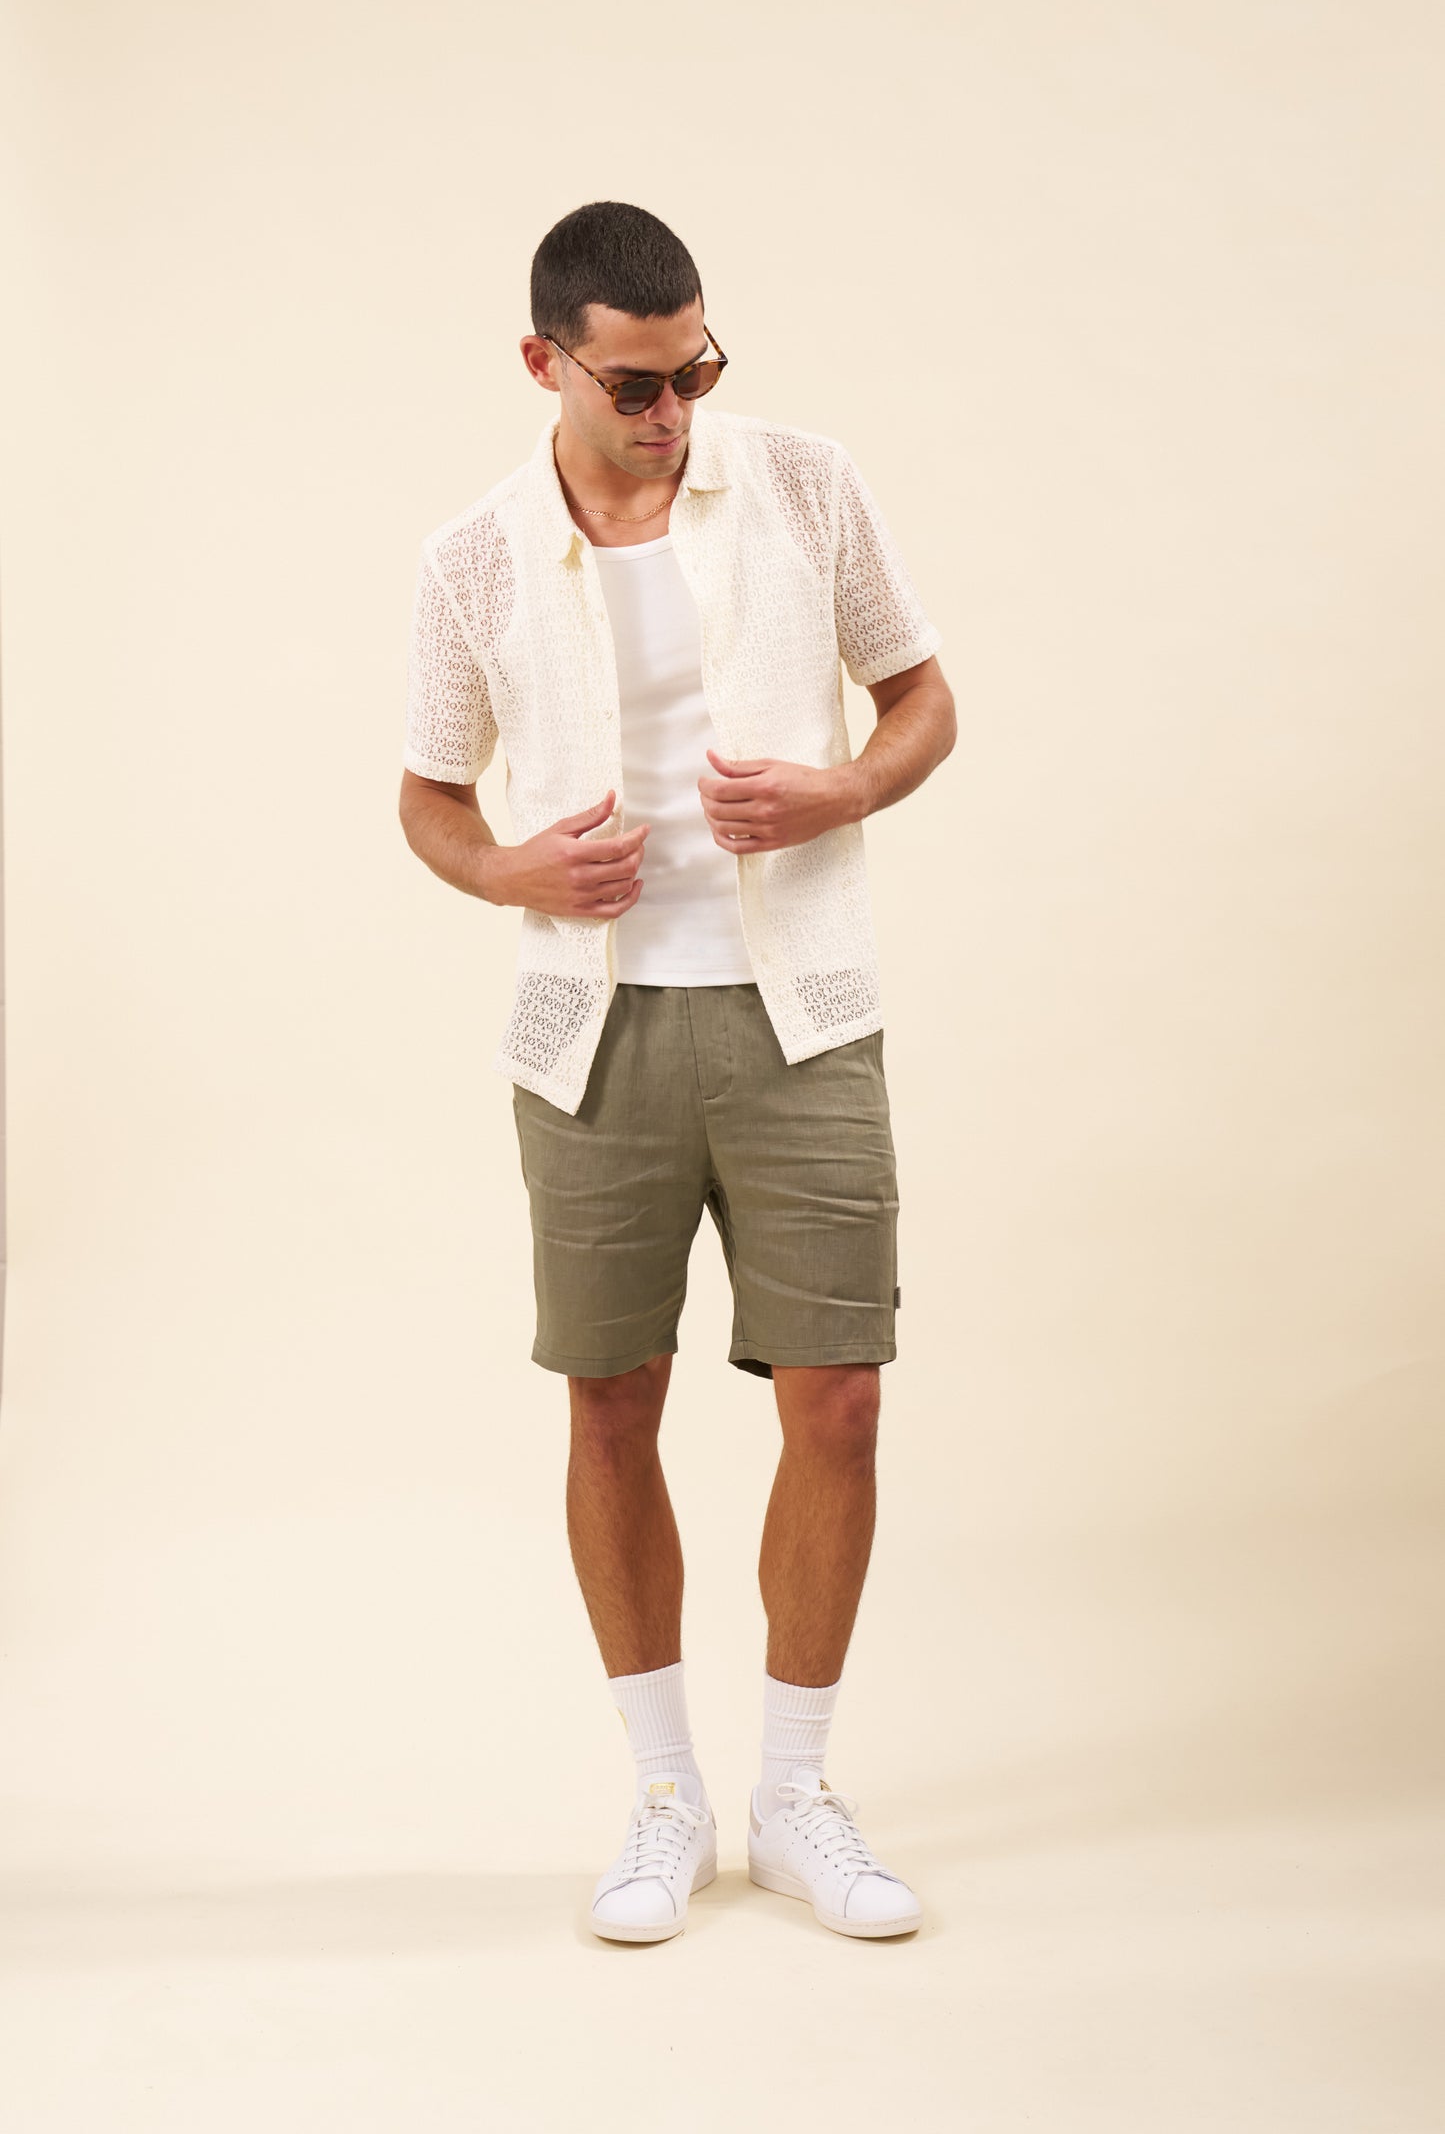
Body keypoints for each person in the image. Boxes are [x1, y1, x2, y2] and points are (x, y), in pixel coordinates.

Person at [398, 200, 956, 1944]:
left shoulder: (802, 483)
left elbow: (923, 700)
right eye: (635, 384)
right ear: (543, 363)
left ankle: (794, 1795)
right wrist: (508, 870)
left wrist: (841, 787)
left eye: (694, 371)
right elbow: (429, 797)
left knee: (839, 1397)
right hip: (592, 1035)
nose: (672, 410)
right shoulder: (472, 559)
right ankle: (664, 1795)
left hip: (803, 1011)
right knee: (609, 1400)